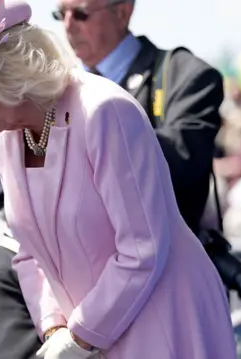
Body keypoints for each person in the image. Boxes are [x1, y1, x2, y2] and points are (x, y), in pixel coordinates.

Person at [0, 0, 237, 358]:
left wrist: (81, 338)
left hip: (164, 321)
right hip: (87, 333)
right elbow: (27, 249)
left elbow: (142, 249)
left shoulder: (103, 110)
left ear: (10, 73)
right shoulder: (3, 133)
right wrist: (54, 327)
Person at [54, 0, 223, 235]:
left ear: (123, 12)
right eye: (60, 14)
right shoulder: (53, 86)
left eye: (81, 14)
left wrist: (74, 143)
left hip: (157, 257)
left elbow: (183, 165)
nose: (68, 25)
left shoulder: (187, 75)